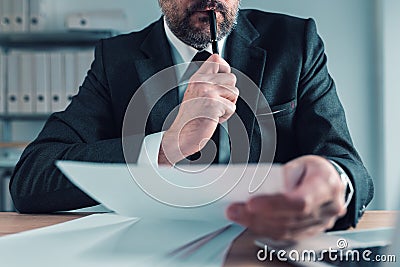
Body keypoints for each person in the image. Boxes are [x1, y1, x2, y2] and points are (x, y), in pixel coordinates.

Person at [10, 0, 374, 241]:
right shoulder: (115, 59)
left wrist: (334, 183)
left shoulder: (296, 42)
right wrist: (165, 147)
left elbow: (347, 165)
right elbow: (31, 179)